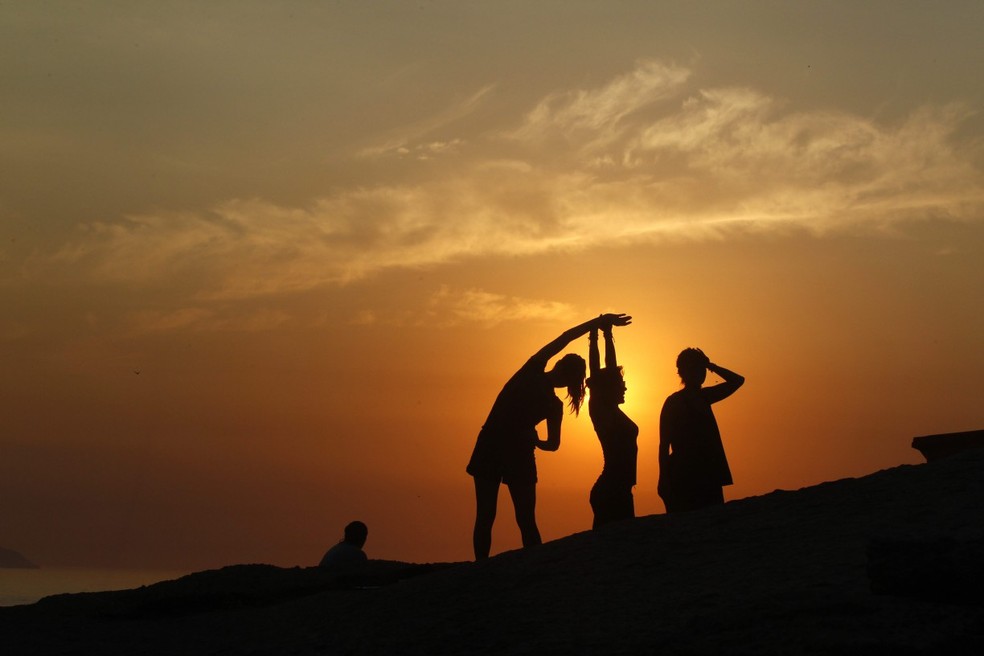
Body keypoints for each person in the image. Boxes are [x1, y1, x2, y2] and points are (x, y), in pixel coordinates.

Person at [466, 313, 632, 560]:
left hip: (499, 446)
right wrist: (534, 441)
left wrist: (597, 324)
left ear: (559, 365)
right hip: (504, 448)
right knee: (522, 519)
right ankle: (528, 565)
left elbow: (565, 338)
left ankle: (483, 567)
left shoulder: (533, 372)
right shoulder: (546, 393)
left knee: (489, 515)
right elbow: (552, 445)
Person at [658, 348, 744, 513]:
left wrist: (712, 366)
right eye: (696, 368)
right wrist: (663, 479)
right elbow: (664, 444)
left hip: (709, 471)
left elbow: (738, 381)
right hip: (684, 473)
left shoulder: (705, 396)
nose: (701, 373)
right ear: (683, 372)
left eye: (702, 369)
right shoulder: (673, 402)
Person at [586, 322, 638, 528]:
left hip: (621, 490)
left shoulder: (614, 411)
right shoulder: (600, 408)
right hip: (611, 490)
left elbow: (610, 368)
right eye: (620, 385)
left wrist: (608, 334)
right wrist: (593, 337)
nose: (624, 388)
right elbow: (597, 371)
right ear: (607, 389)